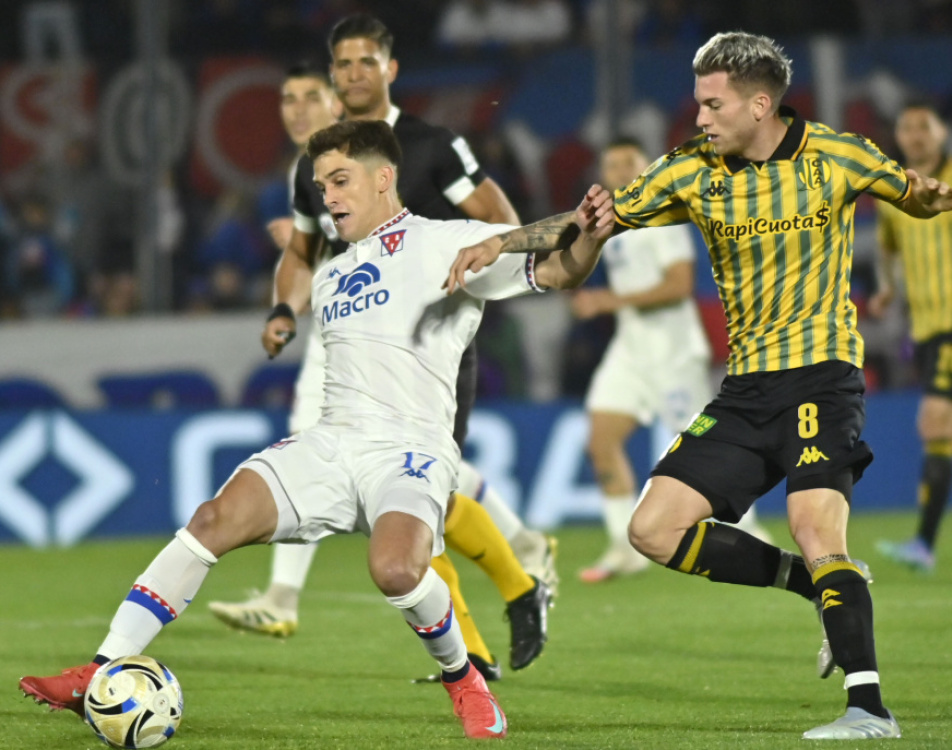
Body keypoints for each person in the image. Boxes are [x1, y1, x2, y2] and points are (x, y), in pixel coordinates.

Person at [445, 31, 952, 740]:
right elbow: (591, 220)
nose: (698, 117)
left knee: (816, 527)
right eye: (698, 103)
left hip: (822, 378)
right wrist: (499, 241)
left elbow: (909, 192)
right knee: (652, 530)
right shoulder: (692, 170)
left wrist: (927, 197)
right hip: (745, 390)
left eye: (712, 105)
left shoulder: (837, 155)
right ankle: (812, 586)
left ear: (759, 105)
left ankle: (868, 708)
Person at [17, 119, 614, 741]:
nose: (327, 195)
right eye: (322, 184)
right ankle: (100, 669)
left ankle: (464, 679)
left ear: (383, 179)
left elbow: (560, 269)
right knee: (212, 521)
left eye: (340, 180)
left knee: (396, 570)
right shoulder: (332, 276)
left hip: (410, 448)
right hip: (331, 443)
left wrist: (591, 234)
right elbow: (307, 280)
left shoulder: (447, 240)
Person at [208, 15, 557, 679]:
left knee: (423, 493)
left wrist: (482, 278)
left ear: (391, 69)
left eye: (365, 61)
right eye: (342, 64)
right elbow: (304, 252)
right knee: (395, 499)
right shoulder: (320, 162)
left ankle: (512, 592)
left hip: (428, 338)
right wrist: (284, 307)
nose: (353, 74)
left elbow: (501, 221)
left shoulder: (432, 145)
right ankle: (484, 633)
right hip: (348, 335)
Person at [573, 137, 771, 584]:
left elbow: (680, 285)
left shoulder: (664, 217)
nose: (620, 172)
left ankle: (749, 527)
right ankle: (623, 548)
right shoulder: (614, 225)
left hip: (674, 354)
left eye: (628, 162)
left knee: (707, 447)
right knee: (600, 442)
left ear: (647, 166)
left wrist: (607, 301)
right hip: (630, 351)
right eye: (611, 165)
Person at [870, 101, 952, 573]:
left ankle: (923, 545)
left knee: (933, 424)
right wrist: (886, 288)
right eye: (906, 127)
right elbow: (888, 246)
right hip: (925, 329)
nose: (915, 134)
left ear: (942, 133)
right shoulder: (895, 189)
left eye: (924, 126)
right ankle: (923, 545)